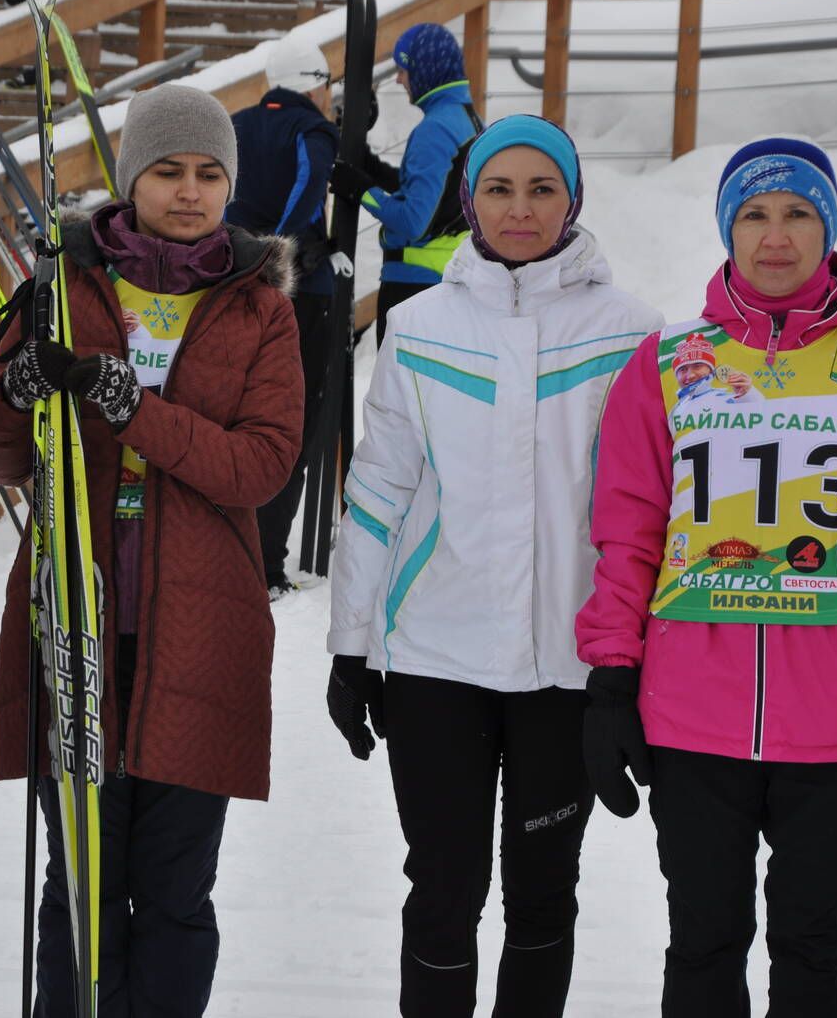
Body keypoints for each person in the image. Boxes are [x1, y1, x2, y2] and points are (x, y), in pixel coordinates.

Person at [576, 136, 837, 1017]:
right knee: (704, 945)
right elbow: (629, 533)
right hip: (692, 717)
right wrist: (609, 679)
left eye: (797, 213)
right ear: (728, 230)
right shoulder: (670, 366)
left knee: (815, 947)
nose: (775, 236)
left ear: (827, 228)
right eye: (754, 215)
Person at [0, 83, 303, 1017]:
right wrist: (14, 395)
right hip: (75, 619)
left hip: (201, 633)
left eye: (208, 174)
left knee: (173, 898)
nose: (189, 191)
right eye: (167, 171)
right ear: (130, 180)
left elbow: (262, 465)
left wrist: (136, 412)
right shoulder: (63, 285)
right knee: (76, 891)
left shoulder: (258, 308)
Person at [326, 115, 662, 1017]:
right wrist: (351, 647)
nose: (521, 209)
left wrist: (635, 665)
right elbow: (379, 492)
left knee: (544, 891)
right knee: (442, 892)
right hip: (438, 656)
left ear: (574, 199)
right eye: (500, 189)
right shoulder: (423, 324)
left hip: (569, 665)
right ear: (469, 198)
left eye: (542, 188)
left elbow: (652, 516)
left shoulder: (633, 332)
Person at [228, 33, 340, 597]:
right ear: (314, 86)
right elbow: (307, 188)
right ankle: (265, 565)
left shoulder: (235, 123)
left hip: (231, 289)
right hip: (299, 295)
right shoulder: (311, 129)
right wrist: (283, 252)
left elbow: (221, 196)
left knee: (234, 418)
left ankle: (230, 552)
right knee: (288, 426)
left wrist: (237, 255)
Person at [329, 23, 482, 343]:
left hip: (413, 287)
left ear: (425, 69)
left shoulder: (435, 129)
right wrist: (368, 167)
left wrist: (360, 190)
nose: (399, 79)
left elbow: (414, 220)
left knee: (400, 392)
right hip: (446, 282)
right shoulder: (467, 119)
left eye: (404, 69)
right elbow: (433, 194)